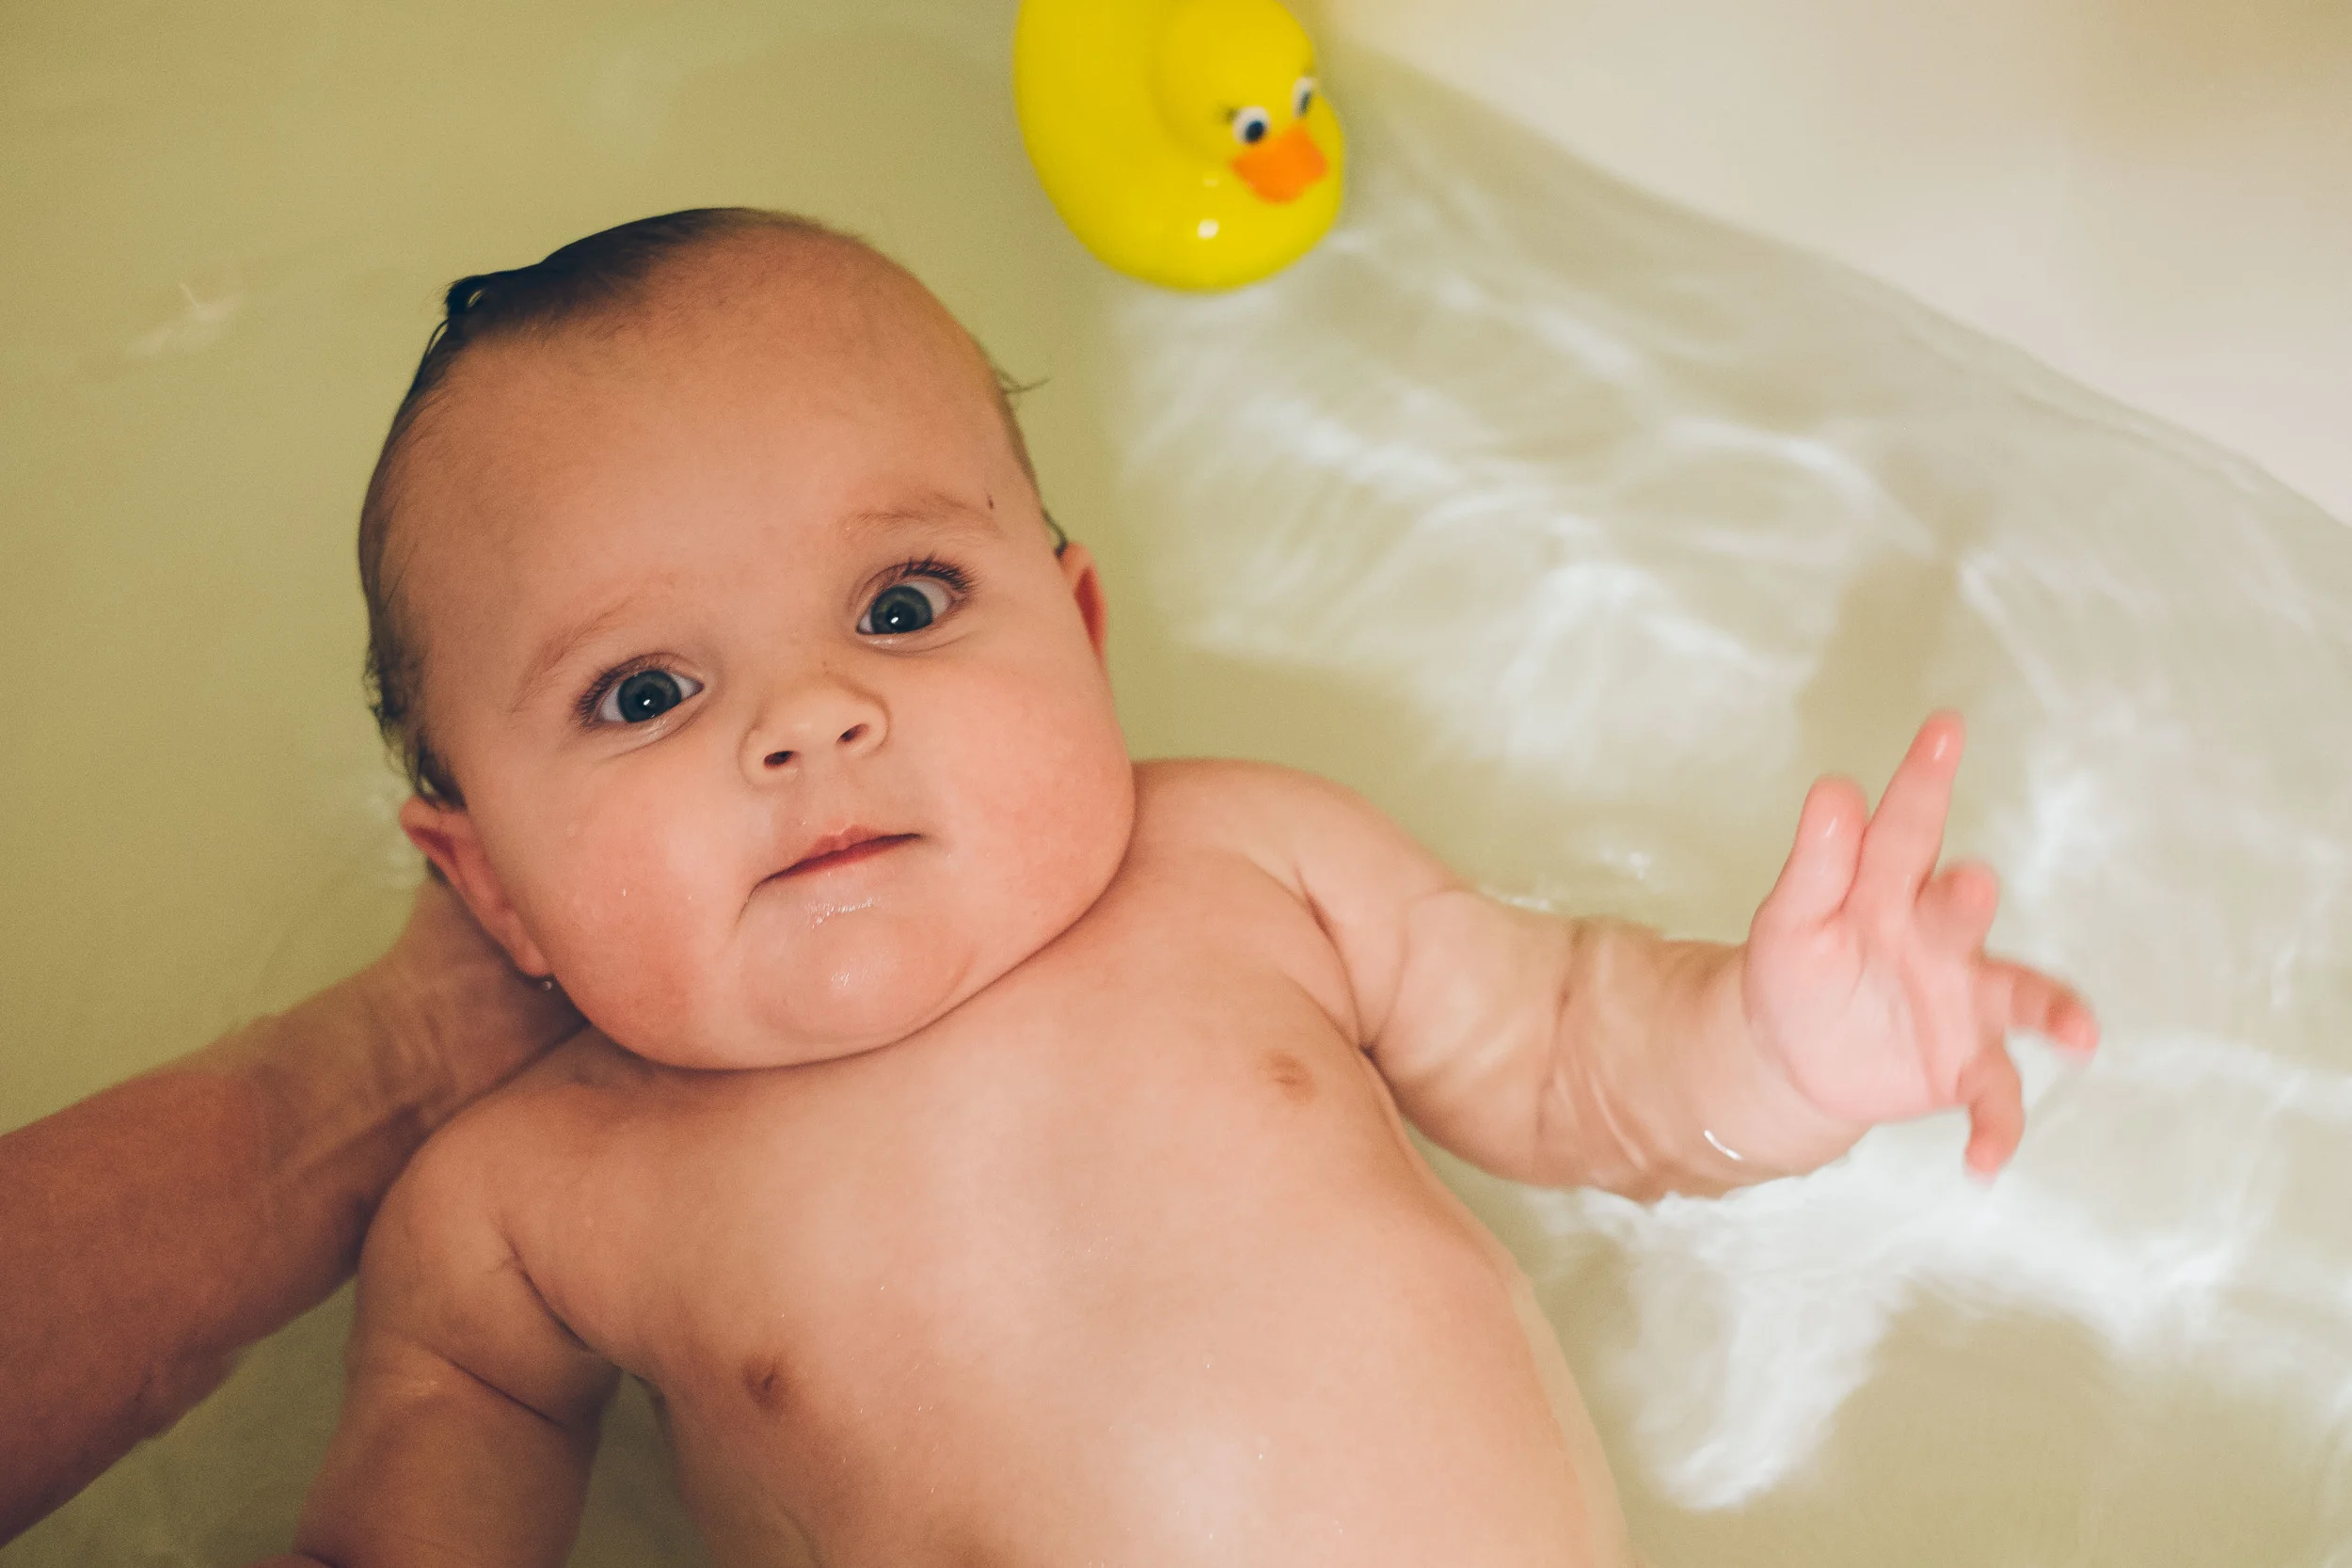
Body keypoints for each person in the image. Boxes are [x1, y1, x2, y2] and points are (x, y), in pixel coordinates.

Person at [274, 207, 2098, 1566]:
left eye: (901, 603)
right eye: (647, 691)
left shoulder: (1243, 859)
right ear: (487, 877)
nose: (811, 717)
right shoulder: (524, 1195)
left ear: (1073, 627)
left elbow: (1573, 1058)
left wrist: (1775, 1041)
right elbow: (439, 1447)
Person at [0, 877, 580, 1544]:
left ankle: (412, 1056)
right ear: (490, 883)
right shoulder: (513, 1196)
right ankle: (410, 1056)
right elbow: (479, 1391)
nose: (734, 763)